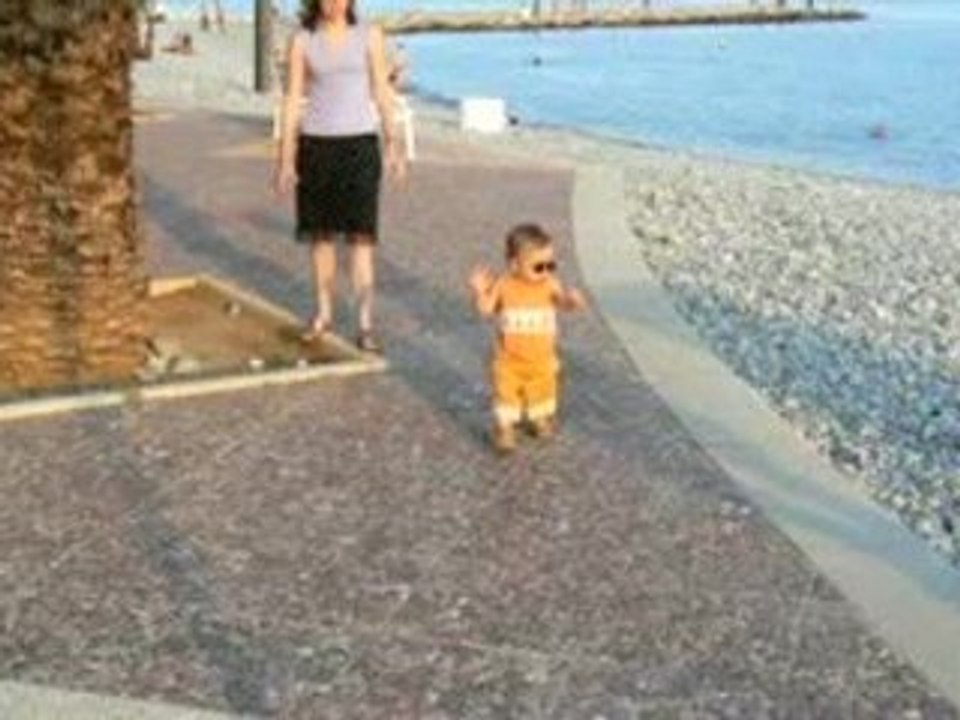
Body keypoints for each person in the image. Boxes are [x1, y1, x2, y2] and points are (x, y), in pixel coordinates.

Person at [274, 0, 405, 352]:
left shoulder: (369, 35)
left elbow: (382, 91)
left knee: (362, 239)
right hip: (316, 147)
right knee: (321, 239)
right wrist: (286, 159)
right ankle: (324, 313)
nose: (334, 3)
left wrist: (393, 143)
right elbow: (292, 100)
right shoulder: (302, 40)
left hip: (359, 146)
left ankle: (365, 324)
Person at [469, 223, 587, 453]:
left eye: (551, 265)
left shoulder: (549, 285)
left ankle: (539, 418)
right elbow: (486, 309)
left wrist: (573, 301)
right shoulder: (504, 285)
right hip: (509, 360)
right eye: (538, 267)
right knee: (506, 396)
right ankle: (505, 430)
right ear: (515, 264)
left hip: (542, 358)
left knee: (543, 390)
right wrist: (479, 291)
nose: (546, 271)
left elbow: (562, 303)